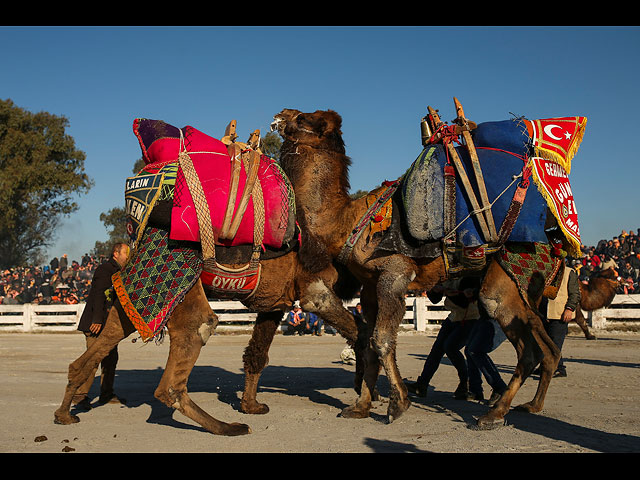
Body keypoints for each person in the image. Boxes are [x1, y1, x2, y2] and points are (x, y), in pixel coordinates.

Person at [72, 242, 129, 410]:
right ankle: (79, 395)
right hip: (97, 323)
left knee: (111, 359)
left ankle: (107, 393)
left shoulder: (120, 271)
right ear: (116, 253)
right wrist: (96, 320)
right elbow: (98, 294)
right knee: (93, 359)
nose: (128, 256)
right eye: (126, 253)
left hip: (110, 326)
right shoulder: (105, 269)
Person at [404, 276, 481, 399]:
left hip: (470, 318)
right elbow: (435, 299)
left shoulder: (470, 275)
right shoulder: (446, 275)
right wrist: (434, 290)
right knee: (436, 351)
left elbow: (463, 302)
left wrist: (444, 291)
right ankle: (422, 384)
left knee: (450, 347)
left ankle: (465, 382)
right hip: (453, 317)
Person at [539, 262, 581, 378]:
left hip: (559, 313)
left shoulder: (569, 272)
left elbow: (575, 294)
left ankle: (558, 368)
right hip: (544, 312)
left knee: (555, 343)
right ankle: (547, 366)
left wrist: (569, 309)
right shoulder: (544, 271)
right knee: (545, 342)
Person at [464, 313, 508, 405]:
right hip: (485, 317)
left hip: (500, 316)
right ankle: (475, 389)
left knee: (476, 351)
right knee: (469, 350)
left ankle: (499, 387)